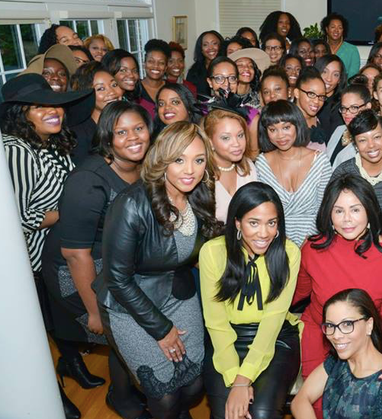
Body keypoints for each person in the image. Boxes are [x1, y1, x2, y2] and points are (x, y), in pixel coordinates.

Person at [94, 121, 220, 419]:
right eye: (179, 160)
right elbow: (118, 279)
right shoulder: (131, 205)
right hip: (130, 304)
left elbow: (198, 247)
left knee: (193, 387)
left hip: (178, 292)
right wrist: (162, 330)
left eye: (198, 160)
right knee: (163, 398)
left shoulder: (199, 195)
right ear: (162, 159)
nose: (190, 169)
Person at [41, 101, 153, 419]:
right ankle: (123, 398)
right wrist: (94, 310)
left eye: (139, 128)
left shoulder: (144, 165)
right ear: (107, 137)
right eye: (121, 132)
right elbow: (75, 254)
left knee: (130, 329)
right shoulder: (87, 180)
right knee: (123, 331)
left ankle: (126, 390)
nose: (133, 137)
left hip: (114, 264)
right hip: (77, 271)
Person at [0, 73, 94, 418]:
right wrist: (73, 210)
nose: (53, 112)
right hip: (31, 262)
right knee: (40, 330)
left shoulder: (50, 141)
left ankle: (71, 365)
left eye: (54, 105)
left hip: (56, 252)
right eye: (40, 107)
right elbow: (23, 218)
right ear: (20, 113)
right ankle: (51, 396)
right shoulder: (17, 150)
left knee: (59, 320)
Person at [292, 174, 382, 415]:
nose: (347, 219)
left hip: (364, 341)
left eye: (355, 209)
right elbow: (294, 295)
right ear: (328, 214)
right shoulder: (313, 249)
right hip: (321, 336)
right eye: (338, 211)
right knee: (318, 407)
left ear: (368, 211)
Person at [200, 181, 301, 419]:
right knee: (228, 413)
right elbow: (216, 322)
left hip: (275, 339)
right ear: (237, 222)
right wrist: (235, 378)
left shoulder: (289, 253)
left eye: (271, 223)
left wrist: (243, 380)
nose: (264, 233)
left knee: (262, 413)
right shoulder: (213, 252)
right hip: (227, 339)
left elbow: (272, 323)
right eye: (253, 223)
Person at [292, 288, 382, 419]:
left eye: (347, 324)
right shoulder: (338, 362)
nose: (336, 335)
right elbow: (300, 400)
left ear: (369, 325)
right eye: (330, 326)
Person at [255, 100, 331, 246]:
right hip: (274, 241)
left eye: (286, 127)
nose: (280, 135)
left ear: (297, 125)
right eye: (272, 129)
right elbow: (262, 211)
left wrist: (309, 241)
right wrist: (280, 239)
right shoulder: (261, 164)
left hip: (314, 240)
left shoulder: (320, 161)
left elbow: (324, 209)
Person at [332, 111, 382, 209]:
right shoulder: (343, 173)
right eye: (362, 140)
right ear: (355, 144)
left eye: (377, 137)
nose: (371, 145)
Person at [203, 108, 258, 224]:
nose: (237, 144)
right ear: (210, 142)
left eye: (240, 135)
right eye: (226, 138)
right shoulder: (201, 175)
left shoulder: (248, 168)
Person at [68, 61, 124, 165]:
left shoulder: (129, 122)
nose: (112, 92)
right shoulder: (79, 134)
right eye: (101, 88)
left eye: (114, 84)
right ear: (86, 94)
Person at [247, 68, 292, 159]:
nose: (272, 95)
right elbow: (253, 156)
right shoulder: (258, 121)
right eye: (266, 92)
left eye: (277, 89)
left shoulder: (297, 117)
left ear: (289, 92)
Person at [325, 83, 373, 169]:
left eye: (354, 107)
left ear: (367, 106)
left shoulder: (370, 138)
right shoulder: (339, 130)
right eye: (344, 108)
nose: (347, 113)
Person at [293, 67, 329, 151]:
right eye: (311, 94)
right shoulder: (287, 122)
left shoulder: (320, 119)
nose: (317, 101)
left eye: (321, 96)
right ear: (297, 93)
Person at [315, 55, 348, 140]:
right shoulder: (305, 99)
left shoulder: (340, 107)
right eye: (324, 72)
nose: (329, 79)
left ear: (340, 79)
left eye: (335, 75)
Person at [138, 39, 171, 118]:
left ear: (166, 67)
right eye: (151, 61)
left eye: (161, 63)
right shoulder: (134, 89)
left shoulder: (172, 89)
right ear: (144, 64)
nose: (156, 66)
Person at [322, 12, 360, 77]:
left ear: (343, 30)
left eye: (340, 27)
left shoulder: (352, 50)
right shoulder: (321, 48)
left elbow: (353, 76)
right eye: (333, 27)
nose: (336, 30)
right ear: (327, 29)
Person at [187, 30, 223, 98]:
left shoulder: (228, 67)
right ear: (201, 49)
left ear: (220, 45)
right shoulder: (194, 71)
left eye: (214, 43)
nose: (210, 48)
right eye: (205, 45)